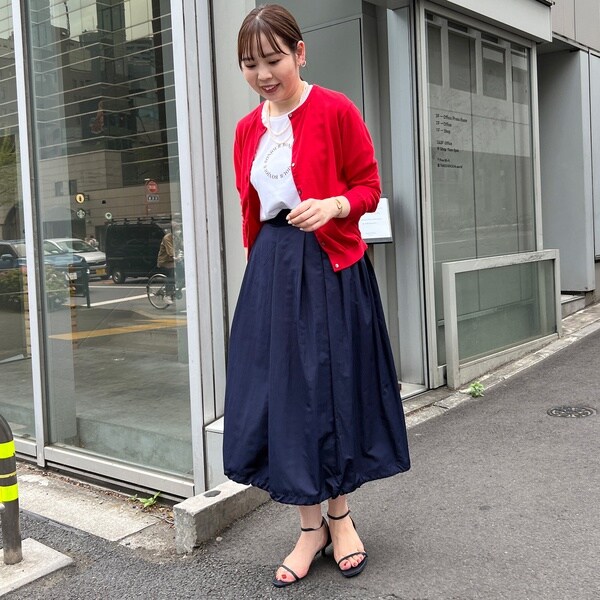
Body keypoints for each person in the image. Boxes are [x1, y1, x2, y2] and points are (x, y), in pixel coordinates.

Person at [223, 4, 410, 588]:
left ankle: (341, 517)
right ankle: (310, 528)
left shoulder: (335, 109)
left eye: (273, 59)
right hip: (272, 271)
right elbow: (252, 208)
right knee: (285, 398)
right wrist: (263, 269)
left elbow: (369, 187)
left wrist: (333, 205)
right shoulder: (246, 129)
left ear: (300, 53)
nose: (262, 74)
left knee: (334, 389)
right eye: (249, 64)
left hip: (330, 265)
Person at [156, 222, 182, 303]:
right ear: (173, 230)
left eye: (179, 229)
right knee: (171, 274)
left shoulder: (177, 238)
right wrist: (175, 257)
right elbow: (170, 251)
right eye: (177, 229)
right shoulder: (167, 238)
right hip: (165, 261)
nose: (179, 230)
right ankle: (167, 295)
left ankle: (179, 286)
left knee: (182, 268)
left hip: (173, 260)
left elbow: (182, 246)